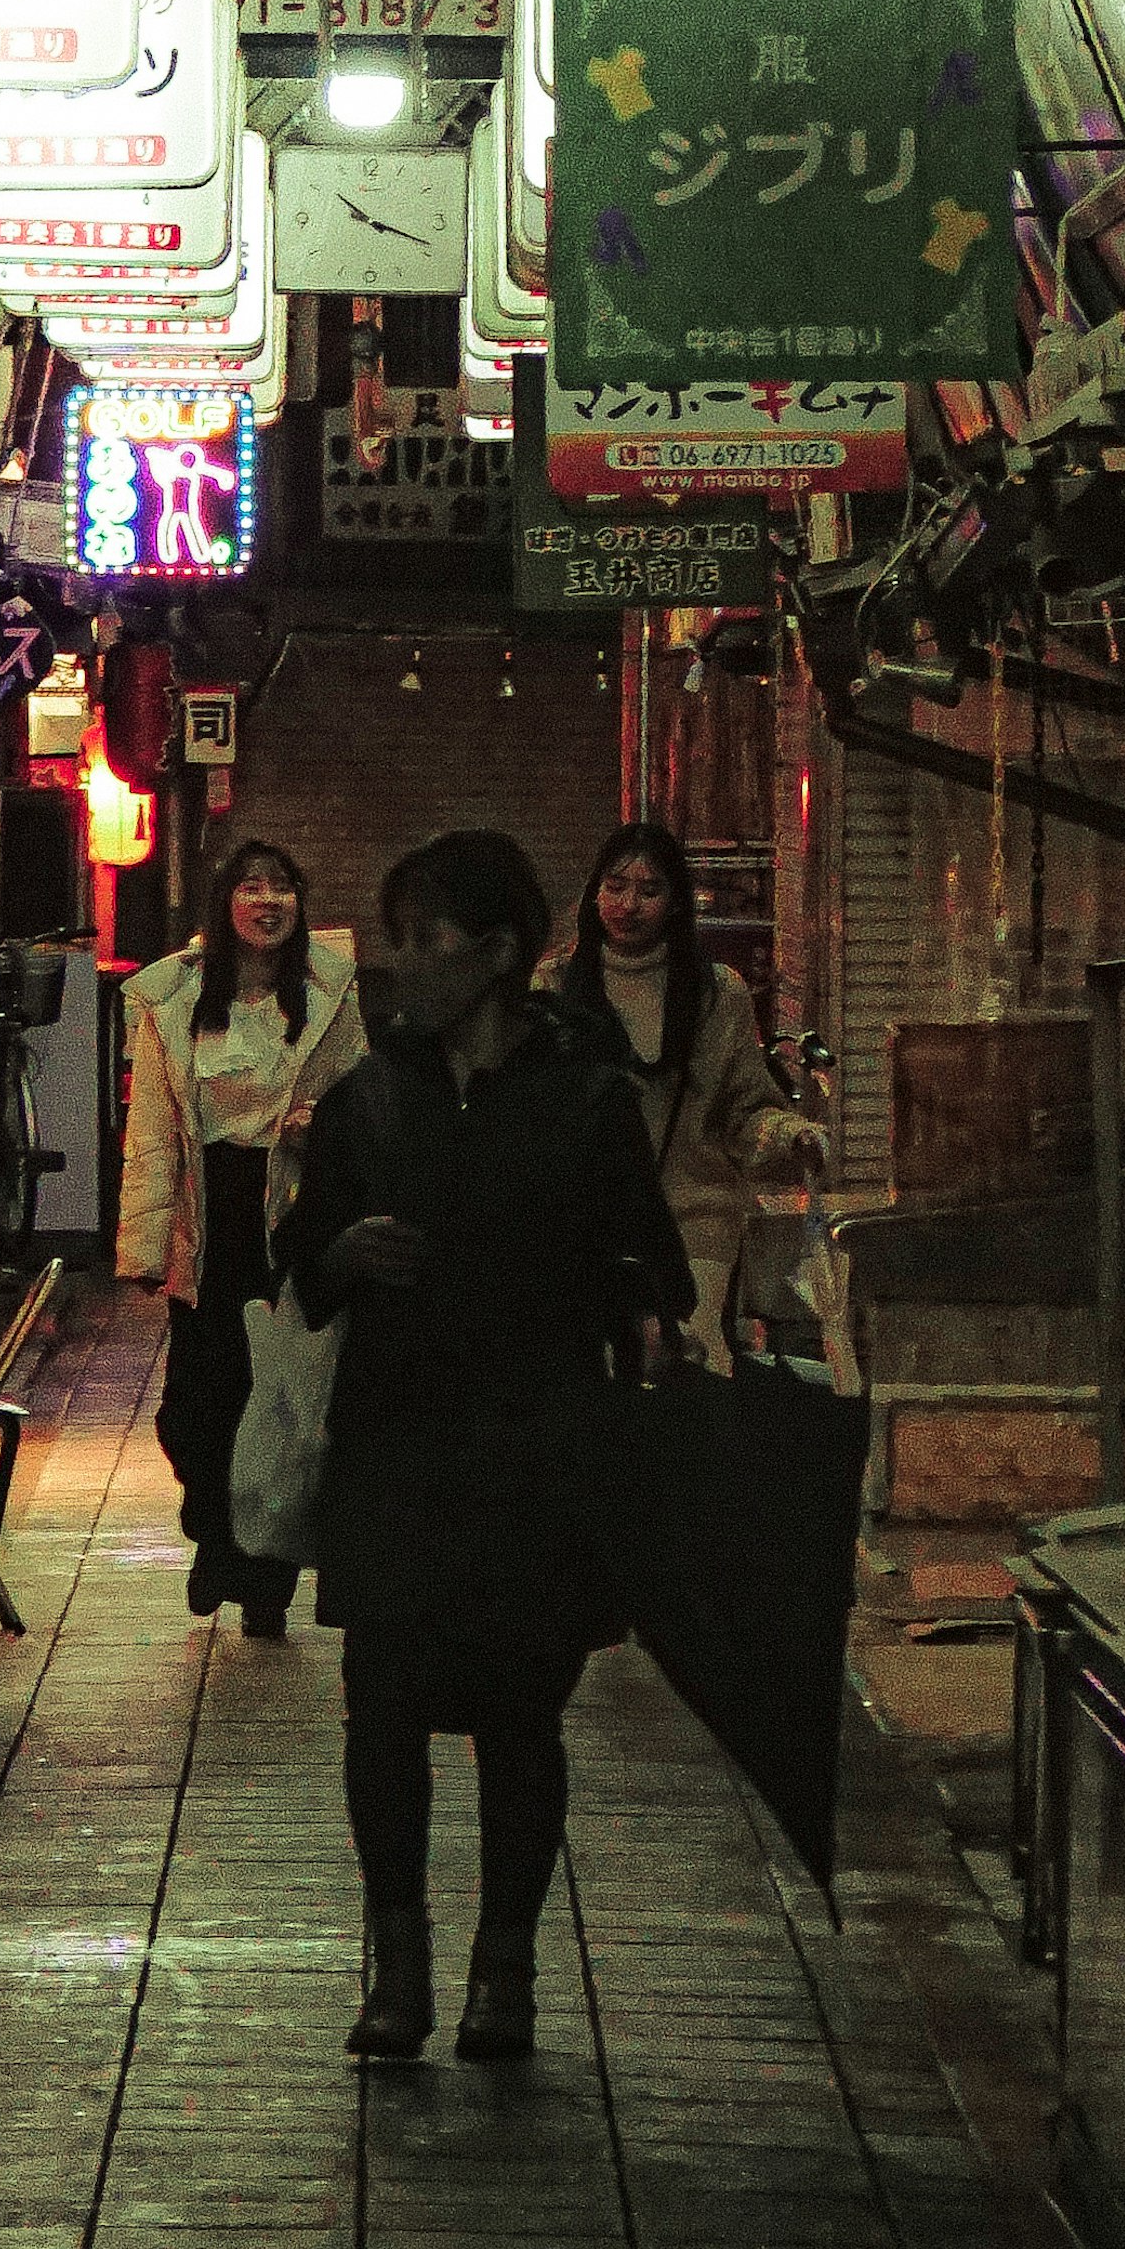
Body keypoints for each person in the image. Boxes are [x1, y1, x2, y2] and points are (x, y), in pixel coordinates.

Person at [281, 826, 690, 2067]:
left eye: (424, 940)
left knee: (523, 1717)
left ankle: (502, 1972)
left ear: (500, 953)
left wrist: (612, 1299)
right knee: (382, 1709)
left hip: (534, 1448)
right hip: (398, 1446)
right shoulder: (373, 1094)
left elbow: (652, 1270)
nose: (400, 965)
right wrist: (343, 1253)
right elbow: (298, 1262)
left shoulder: (583, 1096)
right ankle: (396, 1965)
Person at [116, 837, 362, 1639]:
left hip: (290, 1213)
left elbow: (362, 1100)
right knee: (196, 1406)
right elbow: (152, 1130)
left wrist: (322, 1129)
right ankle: (216, 1531)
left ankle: (265, 1573)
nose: (269, 900)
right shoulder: (177, 1000)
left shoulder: (332, 996)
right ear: (224, 906)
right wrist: (144, 1246)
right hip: (207, 1214)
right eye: (252, 886)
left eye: (283, 886)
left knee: (282, 1403)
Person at [550, 819, 826, 1370]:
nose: (628, 904)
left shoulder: (716, 993)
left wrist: (793, 1136)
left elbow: (744, 1109)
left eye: (649, 891)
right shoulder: (555, 987)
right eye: (614, 886)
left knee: (686, 1367)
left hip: (695, 1222)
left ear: (676, 903)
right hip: (586, 1230)